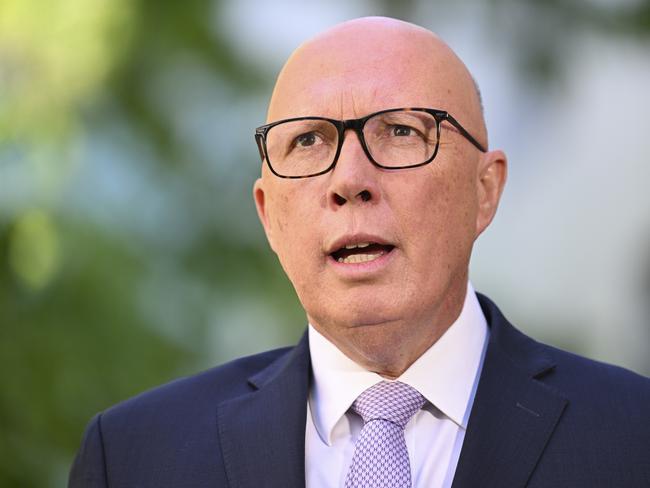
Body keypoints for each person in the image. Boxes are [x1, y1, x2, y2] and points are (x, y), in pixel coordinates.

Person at [69, 17, 650, 488]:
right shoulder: (132, 458)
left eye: (400, 131)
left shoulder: (633, 436)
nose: (350, 178)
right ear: (270, 215)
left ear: (484, 190)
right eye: (307, 140)